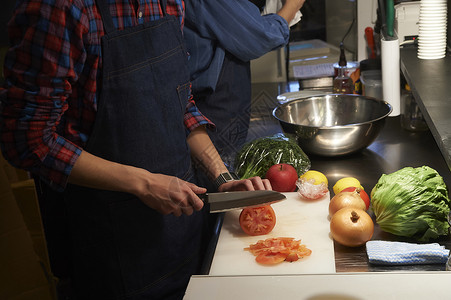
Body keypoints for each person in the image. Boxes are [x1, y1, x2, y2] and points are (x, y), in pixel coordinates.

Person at [0, 0, 270, 299]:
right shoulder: (62, 9)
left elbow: (181, 106)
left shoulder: (170, 3)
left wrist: (222, 179)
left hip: (183, 232)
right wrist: (143, 183)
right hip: (112, 247)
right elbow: (28, 139)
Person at [183, 0, 306, 184]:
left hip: (220, 109)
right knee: (211, 192)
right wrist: (292, 6)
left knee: (225, 183)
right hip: (207, 114)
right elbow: (259, 37)